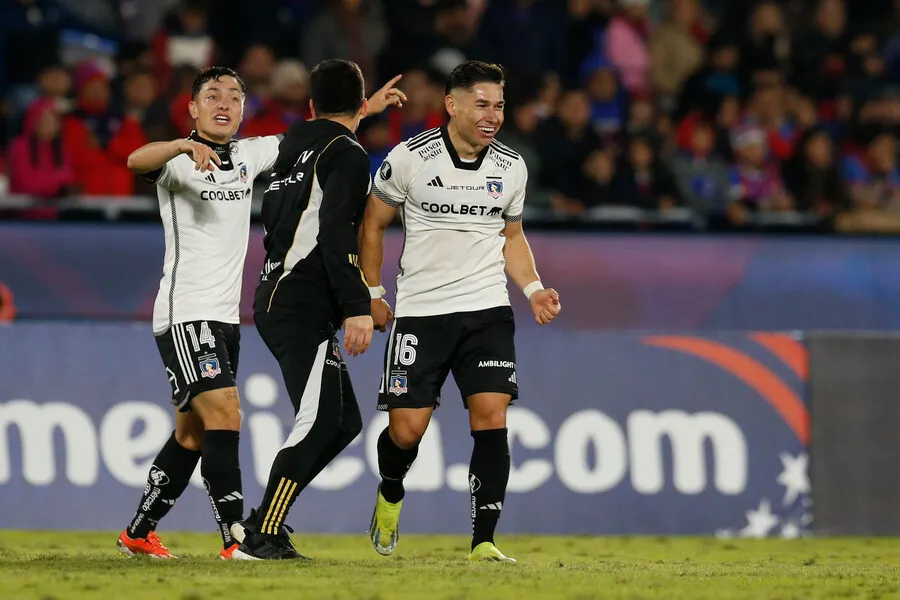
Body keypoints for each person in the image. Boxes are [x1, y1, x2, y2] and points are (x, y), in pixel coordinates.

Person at [361, 60, 561, 563]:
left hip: (487, 310)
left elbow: (511, 236)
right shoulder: (409, 158)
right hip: (422, 313)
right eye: (482, 104)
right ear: (452, 105)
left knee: (491, 415)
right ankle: (390, 490)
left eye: (498, 105)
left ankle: (484, 541)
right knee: (407, 430)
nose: (492, 115)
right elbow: (372, 224)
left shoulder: (511, 167)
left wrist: (533, 287)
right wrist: (372, 290)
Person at [231, 59, 405, 560]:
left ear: (310, 106)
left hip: (280, 295)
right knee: (318, 420)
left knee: (342, 421)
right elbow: (334, 232)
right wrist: (359, 304)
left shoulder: (292, 144)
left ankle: (263, 524)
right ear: (360, 102)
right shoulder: (347, 153)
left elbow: (326, 134)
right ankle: (261, 532)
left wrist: (361, 110)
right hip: (302, 303)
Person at [116, 66, 281, 560]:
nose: (224, 102)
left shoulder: (250, 155)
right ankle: (235, 539)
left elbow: (311, 138)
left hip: (224, 318)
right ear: (193, 108)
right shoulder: (179, 161)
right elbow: (133, 159)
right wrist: (181, 147)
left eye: (234, 95)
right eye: (213, 95)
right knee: (227, 412)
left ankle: (138, 533)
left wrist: (363, 109)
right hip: (186, 311)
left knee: (191, 434)